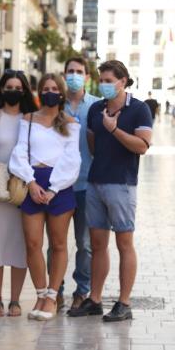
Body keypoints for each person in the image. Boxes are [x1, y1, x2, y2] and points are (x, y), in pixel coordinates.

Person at [69, 60, 152, 322]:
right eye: (101, 80)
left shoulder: (139, 110)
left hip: (122, 184)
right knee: (97, 244)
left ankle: (124, 303)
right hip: (95, 183)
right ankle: (94, 300)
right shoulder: (96, 109)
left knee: (124, 243)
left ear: (123, 81)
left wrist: (114, 129)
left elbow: (142, 146)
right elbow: (93, 145)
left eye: (109, 80)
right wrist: (105, 130)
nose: (104, 84)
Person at [9, 74, 80, 321]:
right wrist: (30, 182)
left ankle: (52, 297)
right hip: (33, 182)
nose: (50, 92)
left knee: (58, 244)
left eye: (54, 89)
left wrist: (54, 188)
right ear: (40, 93)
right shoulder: (28, 120)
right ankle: (40, 293)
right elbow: (19, 153)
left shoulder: (71, 123)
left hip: (59, 185)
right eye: (45, 89)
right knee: (33, 243)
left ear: (61, 93)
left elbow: (72, 160)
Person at [0, 69, 37, 317]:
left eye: (18, 87)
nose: (13, 90)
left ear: (24, 91)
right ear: (1, 89)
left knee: (20, 247)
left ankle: (15, 300)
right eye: (9, 86)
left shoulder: (32, 119)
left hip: (23, 191)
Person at [63, 57, 100, 310]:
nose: (74, 75)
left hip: (87, 185)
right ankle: (54, 290)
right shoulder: (55, 105)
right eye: (70, 71)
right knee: (55, 243)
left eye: (79, 72)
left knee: (85, 244)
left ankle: (82, 290)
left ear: (87, 77)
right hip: (59, 185)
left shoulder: (97, 106)